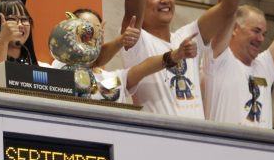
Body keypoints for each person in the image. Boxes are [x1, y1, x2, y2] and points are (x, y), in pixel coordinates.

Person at [120, 0, 259, 118]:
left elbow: (227, 8)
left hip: (197, 141)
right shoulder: (136, 41)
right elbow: (132, 9)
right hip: (159, 142)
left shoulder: (187, 35)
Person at [54, 9, 198, 104]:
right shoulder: (57, 68)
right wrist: (121, 40)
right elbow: (87, 60)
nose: (92, 35)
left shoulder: (109, 82)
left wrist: (175, 55)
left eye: (97, 30)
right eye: (85, 29)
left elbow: (142, 68)